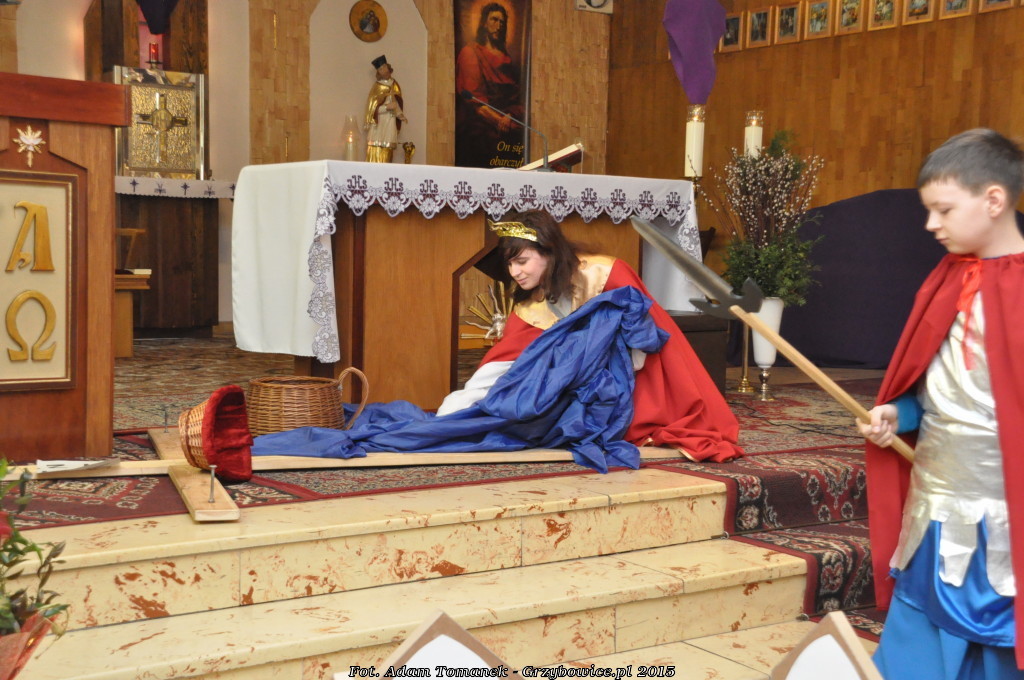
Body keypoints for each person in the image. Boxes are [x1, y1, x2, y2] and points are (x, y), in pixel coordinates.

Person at [858, 129, 1024, 678]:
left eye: (944, 210)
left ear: (994, 200)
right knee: (920, 626)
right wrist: (897, 413)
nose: (931, 224)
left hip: (1003, 516)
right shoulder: (947, 279)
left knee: (997, 636)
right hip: (935, 504)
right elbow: (930, 388)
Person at [437, 210, 744, 463]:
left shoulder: (602, 273)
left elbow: (645, 332)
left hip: (629, 375)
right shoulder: (530, 304)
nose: (514, 272)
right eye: (510, 263)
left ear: (548, 252)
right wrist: (467, 400)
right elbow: (507, 358)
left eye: (521, 261)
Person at [455, 2, 525, 168]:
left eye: (502, 22)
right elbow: (475, 102)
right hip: (481, 124)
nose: (498, 26)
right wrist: (500, 122)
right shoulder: (471, 53)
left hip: (506, 124)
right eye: (494, 19)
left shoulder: (508, 60)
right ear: (484, 23)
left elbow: (517, 98)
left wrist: (510, 117)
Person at [364, 55, 405, 163]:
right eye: (381, 69)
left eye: (385, 67)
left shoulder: (395, 85)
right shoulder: (377, 87)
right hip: (378, 127)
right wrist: (387, 107)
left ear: (388, 68)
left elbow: (397, 103)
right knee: (375, 153)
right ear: (378, 72)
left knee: (387, 154)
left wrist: (400, 114)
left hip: (390, 125)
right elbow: (372, 109)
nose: (384, 71)